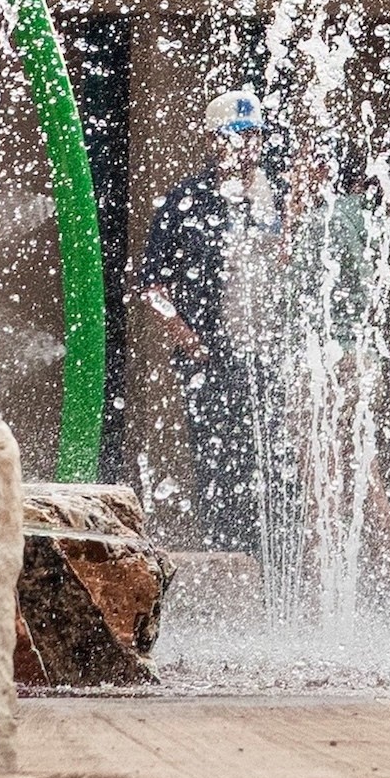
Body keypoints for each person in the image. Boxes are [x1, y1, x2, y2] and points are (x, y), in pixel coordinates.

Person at [140, 89, 278, 554]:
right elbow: (152, 287)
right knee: (217, 461)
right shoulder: (186, 198)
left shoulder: (273, 195)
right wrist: (191, 342)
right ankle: (225, 554)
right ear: (212, 140)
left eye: (253, 135)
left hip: (266, 354)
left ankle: (267, 559)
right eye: (234, 136)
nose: (245, 145)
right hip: (209, 356)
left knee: (268, 461)